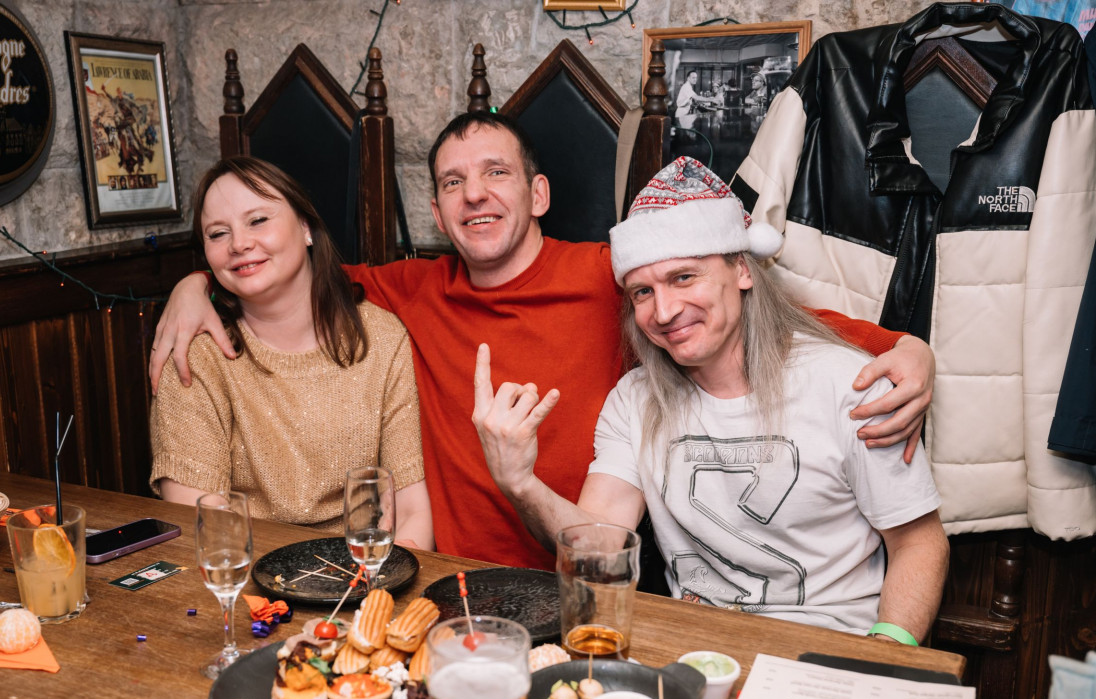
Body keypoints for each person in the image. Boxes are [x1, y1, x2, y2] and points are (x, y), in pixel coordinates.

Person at [149, 112, 935, 572]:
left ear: (538, 193)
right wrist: (194, 286)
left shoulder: (616, 277)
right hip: (443, 582)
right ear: (437, 212)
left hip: (579, 574)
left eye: (495, 173)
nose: (475, 195)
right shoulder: (411, 290)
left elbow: (753, 309)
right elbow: (283, 270)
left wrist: (906, 347)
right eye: (453, 183)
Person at [473, 156, 949, 639]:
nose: (664, 311)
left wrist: (890, 654)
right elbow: (601, 548)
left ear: (741, 269)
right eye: (642, 292)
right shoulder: (634, 400)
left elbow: (918, 543)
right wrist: (521, 484)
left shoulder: (850, 385)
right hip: (697, 650)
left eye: (683, 277)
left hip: (829, 648)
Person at [150, 156, 432, 548]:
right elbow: (205, 523)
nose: (239, 244)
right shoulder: (196, 354)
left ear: (305, 227)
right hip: (249, 571)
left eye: (257, 220)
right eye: (218, 233)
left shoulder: (381, 339)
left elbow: (412, 509)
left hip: (365, 570)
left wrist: (381, 581)